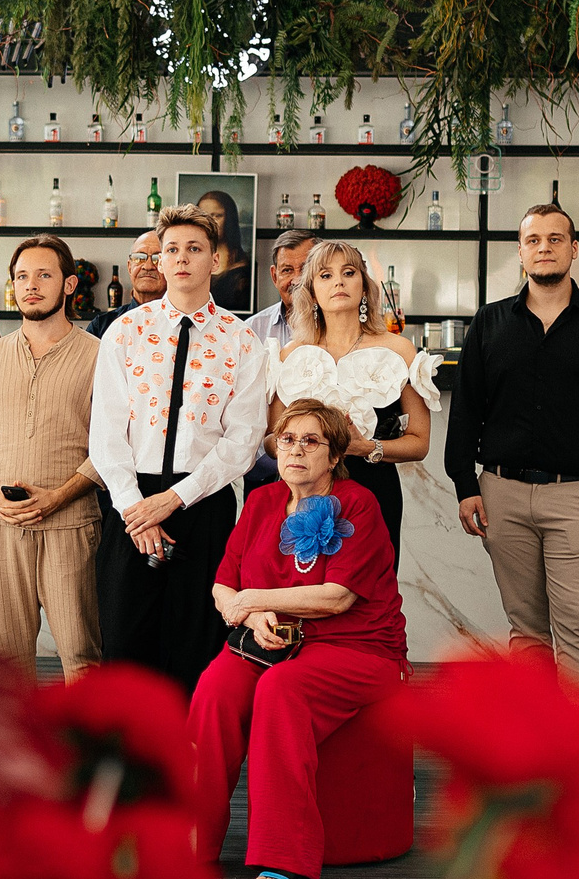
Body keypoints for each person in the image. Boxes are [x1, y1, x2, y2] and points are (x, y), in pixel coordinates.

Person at [189, 397, 407, 879]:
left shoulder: (359, 504)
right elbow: (224, 585)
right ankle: (190, 843)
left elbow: (337, 598)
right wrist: (249, 610)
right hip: (270, 640)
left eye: (312, 441)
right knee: (214, 690)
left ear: (334, 457)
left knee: (281, 690)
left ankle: (285, 856)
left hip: (358, 649)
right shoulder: (263, 500)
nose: (296, 450)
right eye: (287, 439)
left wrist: (253, 600)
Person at [445, 202, 579, 684]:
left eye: (555, 239)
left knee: (578, 626)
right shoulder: (489, 323)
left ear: (574, 250)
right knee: (527, 632)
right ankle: (533, 754)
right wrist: (463, 484)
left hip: (576, 497)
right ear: (520, 252)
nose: (544, 248)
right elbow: (467, 409)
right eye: (533, 240)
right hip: (501, 494)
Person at [88, 205, 273, 695]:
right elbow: (105, 432)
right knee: (124, 645)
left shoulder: (243, 340)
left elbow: (244, 441)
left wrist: (174, 500)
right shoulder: (125, 333)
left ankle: (190, 766)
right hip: (130, 504)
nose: (182, 258)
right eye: (172, 250)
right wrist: (136, 510)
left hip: (203, 503)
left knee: (195, 646)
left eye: (195, 249)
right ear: (159, 261)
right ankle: (125, 767)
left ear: (215, 259)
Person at [0, 236, 102, 677]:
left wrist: (59, 496)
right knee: (7, 660)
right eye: (22, 276)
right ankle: (14, 748)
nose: (31, 285)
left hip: (71, 524)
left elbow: (112, 448)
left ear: (69, 284)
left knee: (81, 654)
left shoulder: (100, 357)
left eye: (44, 275)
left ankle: (87, 748)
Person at [268, 238, 438, 554]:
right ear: (312, 291)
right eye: (325, 275)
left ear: (363, 286)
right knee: (303, 594)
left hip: (375, 494)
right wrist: (300, 444)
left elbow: (420, 442)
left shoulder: (398, 350)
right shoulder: (289, 356)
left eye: (348, 272)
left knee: (371, 596)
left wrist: (366, 447)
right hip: (302, 495)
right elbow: (268, 439)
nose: (339, 282)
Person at [243, 228, 324, 491]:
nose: (297, 279)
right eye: (287, 270)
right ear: (274, 275)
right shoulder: (250, 331)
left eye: (306, 268)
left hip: (326, 475)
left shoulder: (340, 329)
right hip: (265, 473)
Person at [89, 228, 165, 340]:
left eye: (157, 259)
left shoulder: (183, 323)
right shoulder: (102, 326)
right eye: (139, 258)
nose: (148, 266)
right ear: (129, 267)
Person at [194, 186, 253, 313]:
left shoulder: (243, 266)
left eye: (217, 215)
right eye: (205, 216)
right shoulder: (188, 262)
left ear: (229, 218)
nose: (211, 222)